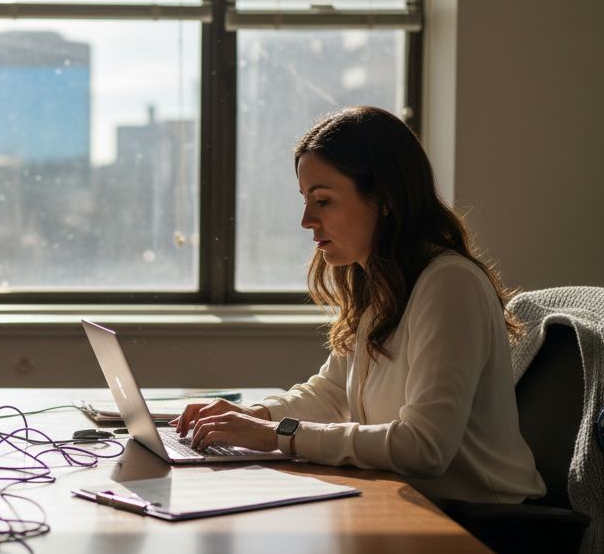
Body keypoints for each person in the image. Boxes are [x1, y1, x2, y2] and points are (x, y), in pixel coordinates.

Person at [176, 106, 544, 504]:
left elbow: (423, 447)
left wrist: (276, 436)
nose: (306, 219)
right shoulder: (378, 283)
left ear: (384, 198)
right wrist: (254, 416)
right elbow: (333, 393)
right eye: (305, 199)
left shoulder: (449, 285)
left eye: (323, 200)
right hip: (412, 503)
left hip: (486, 525)